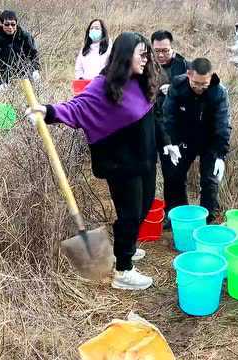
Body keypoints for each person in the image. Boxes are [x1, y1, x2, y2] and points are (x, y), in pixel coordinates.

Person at [25, 32, 177, 291]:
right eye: (141, 54)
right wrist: (47, 111)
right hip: (120, 163)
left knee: (143, 208)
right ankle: (124, 271)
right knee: (130, 214)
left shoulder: (142, 81)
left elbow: (153, 117)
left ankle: (122, 249)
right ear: (125, 55)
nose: (146, 59)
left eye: (146, 54)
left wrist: (166, 143)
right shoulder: (104, 85)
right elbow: (77, 107)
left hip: (145, 160)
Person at [162, 58, 231, 224]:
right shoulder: (177, 86)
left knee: (209, 180)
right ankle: (179, 216)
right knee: (175, 176)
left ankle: (207, 220)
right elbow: (168, 116)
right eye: (196, 83)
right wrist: (170, 142)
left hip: (210, 142)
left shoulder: (219, 92)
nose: (199, 88)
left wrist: (220, 155)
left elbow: (223, 125)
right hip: (184, 140)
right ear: (188, 75)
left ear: (211, 77)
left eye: (204, 84)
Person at [150, 30, 188, 228]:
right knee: (149, 172)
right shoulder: (147, 65)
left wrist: (176, 89)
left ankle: (178, 214)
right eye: (157, 51)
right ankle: (156, 214)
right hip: (151, 126)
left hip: (174, 129)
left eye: (165, 50)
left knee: (174, 173)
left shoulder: (184, 66)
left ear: (172, 47)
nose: (161, 55)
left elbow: (197, 91)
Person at [0, 10, 40, 119]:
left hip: (23, 70)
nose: (10, 27)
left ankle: (32, 119)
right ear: (1, 24)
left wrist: (35, 69)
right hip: (4, 70)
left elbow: (34, 54)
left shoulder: (25, 36)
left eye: (13, 24)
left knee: (32, 94)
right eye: (7, 24)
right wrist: (4, 80)